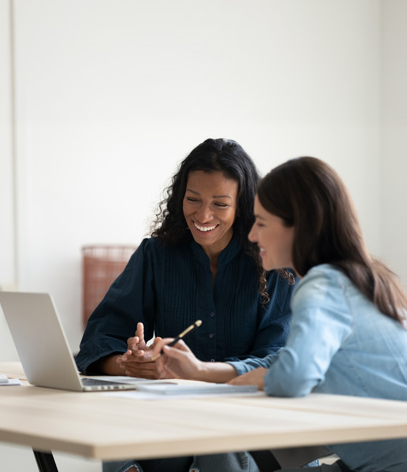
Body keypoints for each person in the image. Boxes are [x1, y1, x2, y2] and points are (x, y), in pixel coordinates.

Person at [153, 156, 407, 472]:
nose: (251, 235)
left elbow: (293, 376)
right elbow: (290, 360)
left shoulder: (323, 284)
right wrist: (204, 371)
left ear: (298, 225)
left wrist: (269, 379)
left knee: (215, 445)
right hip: (371, 462)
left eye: (261, 223)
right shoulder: (360, 278)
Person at [75, 138, 297, 472]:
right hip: (169, 418)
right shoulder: (155, 255)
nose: (203, 215)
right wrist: (134, 364)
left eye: (220, 204)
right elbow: (97, 341)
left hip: (245, 424)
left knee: (213, 447)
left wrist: (203, 374)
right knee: (120, 427)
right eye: (192, 199)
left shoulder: (273, 264)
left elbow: (275, 361)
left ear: (244, 207)